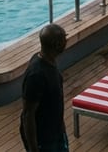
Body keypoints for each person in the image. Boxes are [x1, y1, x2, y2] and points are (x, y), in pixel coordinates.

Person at [20, 24, 68, 152]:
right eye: (64, 38)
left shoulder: (48, 60)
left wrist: (61, 126)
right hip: (45, 140)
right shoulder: (36, 75)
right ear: (57, 44)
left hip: (56, 132)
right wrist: (33, 148)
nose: (66, 41)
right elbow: (27, 114)